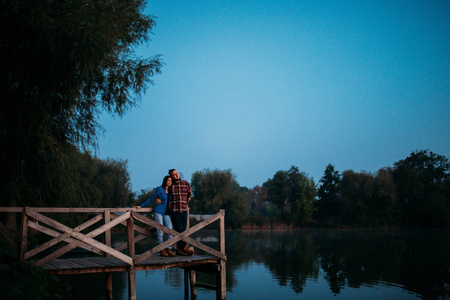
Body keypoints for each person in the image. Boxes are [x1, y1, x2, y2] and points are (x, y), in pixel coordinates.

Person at [134, 176, 176, 257]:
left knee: (170, 230)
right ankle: (161, 249)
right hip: (159, 212)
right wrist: (141, 206)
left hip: (167, 214)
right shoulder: (159, 189)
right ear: (165, 181)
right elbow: (151, 198)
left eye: (171, 181)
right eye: (168, 180)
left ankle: (169, 249)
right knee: (159, 230)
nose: (169, 182)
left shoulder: (171, 190)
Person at [168, 169, 194, 256]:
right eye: (174, 175)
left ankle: (179, 249)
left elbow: (190, 194)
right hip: (174, 211)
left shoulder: (185, 183)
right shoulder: (170, 185)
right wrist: (157, 198)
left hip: (184, 210)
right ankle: (185, 248)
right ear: (171, 176)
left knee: (183, 230)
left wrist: (186, 203)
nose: (176, 176)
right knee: (179, 230)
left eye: (177, 174)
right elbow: (164, 193)